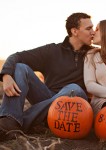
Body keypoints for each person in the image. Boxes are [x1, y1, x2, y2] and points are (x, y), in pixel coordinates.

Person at [0, 12, 95, 141]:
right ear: (74, 31)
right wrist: (6, 75)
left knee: (74, 88)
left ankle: (18, 123)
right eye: (88, 28)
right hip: (47, 98)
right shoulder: (52, 50)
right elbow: (17, 56)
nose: (93, 32)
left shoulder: (94, 54)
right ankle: (9, 119)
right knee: (20, 67)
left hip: (74, 107)